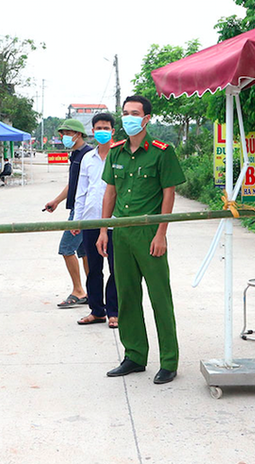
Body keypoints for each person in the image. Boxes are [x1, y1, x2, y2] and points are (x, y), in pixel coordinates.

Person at [97, 95, 185, 385]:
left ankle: (169, 361)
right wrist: (103, 231)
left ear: (147, 119)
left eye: (135, 113)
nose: (129, 117)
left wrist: (162, 233)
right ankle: (134, 355)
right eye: (125, 112)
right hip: (121, 232)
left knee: (160, 297)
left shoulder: (162, 151)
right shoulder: (116, 152)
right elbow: (110, 192)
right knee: (127, 295)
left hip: (149, 233)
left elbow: (168, 194)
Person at [70, 113, 118, 328]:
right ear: (92, 131)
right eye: (98, 128)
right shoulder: (87, 158)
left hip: (115, 222)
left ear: (113, 131)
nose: (102, 131)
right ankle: (97, 310)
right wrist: (76, 220)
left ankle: (114, 312)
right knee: (94, 268)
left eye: (106, 128)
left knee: (116, 269)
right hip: (90, 220)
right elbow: (82, 190)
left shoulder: (120, 155)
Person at [44, 118, 92, 308]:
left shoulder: (88, 155)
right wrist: (56, 201)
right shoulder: (75, 155)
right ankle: (92, 290)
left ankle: (79, 291)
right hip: (76, 208)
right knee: (83, 252)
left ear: (77, 134)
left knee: (66, 248)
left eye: (65, 133)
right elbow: (73, 183)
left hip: (82, 211)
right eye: (61, 133)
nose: (62, 137)